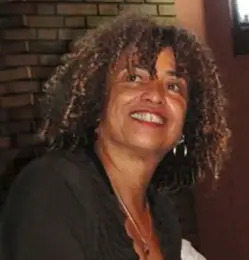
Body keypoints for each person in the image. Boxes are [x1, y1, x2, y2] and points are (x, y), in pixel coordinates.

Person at [0, 12, 230, 260]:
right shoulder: (55, 187)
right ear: (96, 103)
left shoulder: (162, 215)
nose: (155, 95)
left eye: (173, 86)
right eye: (134, 78)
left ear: (186, 122)